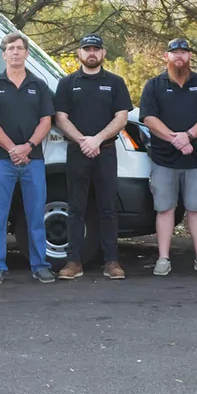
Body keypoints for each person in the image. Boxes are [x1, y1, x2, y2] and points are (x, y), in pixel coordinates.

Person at [54, 34, 132, 280]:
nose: (91, 53)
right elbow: (61, 118)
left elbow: (122, 117)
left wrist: (97, 140)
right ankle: (73, 262)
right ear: (79, 53)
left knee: (108, 207)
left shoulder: (116, 82)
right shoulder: (67, 83)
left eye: (96, 49)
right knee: (75, 208)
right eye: (87, 48)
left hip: (106, 151)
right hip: (77, 151)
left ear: (103, 53)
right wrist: (83, 141)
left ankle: (111, 262)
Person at [139, 38, 197, 276]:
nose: (179, 57)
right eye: (174, 53)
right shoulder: (154, 85)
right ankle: (163, 258)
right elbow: (149, 119)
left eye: (184, 52)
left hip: (196, 160)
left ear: (189, 57)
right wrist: (175, 139)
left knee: (196, 208)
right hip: (163, 160)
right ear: (166, 57)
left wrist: (188, 135)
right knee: (165, 209)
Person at [0, 32, 57, 284]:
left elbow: (46, 121)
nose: (15, 52)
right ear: (3, 54)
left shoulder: (39, 85)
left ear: (26, 53)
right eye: (11, 48)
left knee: (35, 215)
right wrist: (13, 148)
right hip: (2, 160)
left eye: (20, 48)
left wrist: (28, 146)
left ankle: (40, 265)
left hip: (33, 160)